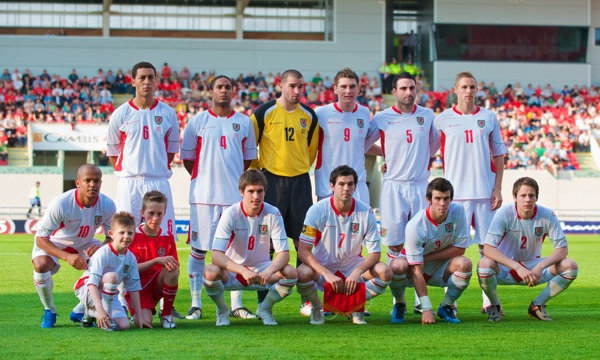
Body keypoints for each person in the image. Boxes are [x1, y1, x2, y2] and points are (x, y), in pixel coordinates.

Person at [180, 75, 257, 320]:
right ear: (211, 91)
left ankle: (236, 303)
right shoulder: (196, 122)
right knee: (198, 250)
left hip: (234, 198)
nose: (223, 91)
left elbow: (247, 162)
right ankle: (195, 303)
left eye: (227, 87)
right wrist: (205, 179)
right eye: (219, 87)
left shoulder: (245, 123)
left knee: (235, 252)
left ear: (233, 92)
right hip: (203, 197)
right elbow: (188, 160)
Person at [365, 72, 438, 321]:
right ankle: (399, 302)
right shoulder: (382, 118)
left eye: (412, 87)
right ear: (394, 91)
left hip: (419, 186)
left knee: (420, 243)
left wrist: (423, 160)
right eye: (403, 88)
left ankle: (421, 299)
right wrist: (388, 154)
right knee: (395, 245)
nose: (408, 92)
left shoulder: (427, 116)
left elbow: (435, 144)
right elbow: (364, 143)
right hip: (393, 187)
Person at [433, 71, 506, 312]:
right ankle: (449, 303)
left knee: (488, 249)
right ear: (455, 90)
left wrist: (497, 188)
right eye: (464, 86)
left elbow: (498, 155)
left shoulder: (489, 117)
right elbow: (427, 151)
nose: (468, 91)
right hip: (454, 198)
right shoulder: (442, 119)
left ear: (477, 90)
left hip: (484, 194)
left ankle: (489, 302)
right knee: (450, 251)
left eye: (472, 87)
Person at [250, 69, 319, 306]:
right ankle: (262, 300)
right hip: (272, 182)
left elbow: (311, 150)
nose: (297, 91)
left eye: (301, 86)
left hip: (300, 183)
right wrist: (260, 170)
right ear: (281, 85)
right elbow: (251, 145)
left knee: (303, 242)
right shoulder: (264, 112)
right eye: (292, 86)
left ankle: (306, 301)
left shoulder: (309, 115)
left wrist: (298, 169)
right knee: (266, 241)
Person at [296, 166, 392, 325]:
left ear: (355, 186)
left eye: (350, 184)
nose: (346, 188)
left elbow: (375, 253)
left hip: (353, 267)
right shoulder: (317, 210)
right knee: (301, 273)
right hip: (324, 269)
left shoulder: (366, 212)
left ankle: (356, 305)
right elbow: (303, 251)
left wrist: (357, 272)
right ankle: (317, 307)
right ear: (332, 186)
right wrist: (326, 274)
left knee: (385, 271)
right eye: (341, 184)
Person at [203, 170, 298, 326]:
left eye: (260, 191)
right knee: (210, 272)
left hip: (262, 271)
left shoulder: (273, 213)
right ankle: (222, 310)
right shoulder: (231, 214)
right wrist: (243, 271)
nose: (256, 196)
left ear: (265, 191)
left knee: (291, 272)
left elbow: (284, 254)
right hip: (235, 272)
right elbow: (216, 256)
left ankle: (265, 308)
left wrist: (268, 272)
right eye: (251, 191)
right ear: (242, 192)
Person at [477, 177, 579, 322]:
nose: (527, 200)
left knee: (571, 266)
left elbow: (562, 249)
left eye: (531, 195)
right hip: (506, 267)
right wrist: (517, 267)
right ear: (514, 197)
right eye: (523, 195)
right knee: (484, 265)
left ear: (536, 197)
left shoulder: (547, 215)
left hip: (533, 269)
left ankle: (537, 305)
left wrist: (540, 266)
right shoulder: (504, 213)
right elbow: (488, 249)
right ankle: (495, 306)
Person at [32, 164, 116, 328]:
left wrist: (101, 247)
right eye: (88, 180)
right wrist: (67, 256)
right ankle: (49, 310)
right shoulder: (61, 203)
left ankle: (79, 311)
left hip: (85, 244)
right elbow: (41, 239)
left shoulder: (107, 204)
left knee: (111, 261)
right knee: (41, 265)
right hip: (56, 243)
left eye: (96, 181)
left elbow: (111, 236)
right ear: (78, 183)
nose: (93, 184)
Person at [107, 61, 179, 232]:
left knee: (161, 235)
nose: (146, 81)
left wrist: (155, 167)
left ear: (156, 80)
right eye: (142, 78)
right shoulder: (120, 113)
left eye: (150, 77)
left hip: (158, 181)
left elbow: (170, 151)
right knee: (125, 235)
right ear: (133, 81)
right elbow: (112, 152)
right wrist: (128, 171)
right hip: (129, 183)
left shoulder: (168, 113)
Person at [389, 178, 472, 324]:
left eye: (446, 199)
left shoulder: (458, 211)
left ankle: (446, 306)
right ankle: (400, 303)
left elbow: (461, 248)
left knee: (465, 264)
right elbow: (416, 270)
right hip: (412, 268)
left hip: (437, 265)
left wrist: (428, 258)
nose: (442, 203)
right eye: (438, 198)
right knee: (396, 266)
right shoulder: (416, 225)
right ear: (428, 199)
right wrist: (427, 309)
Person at [74, 212, 152, 331]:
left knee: (124, 325)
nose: (126, 236)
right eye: (121, 232)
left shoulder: (130, 258)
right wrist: (101, 311)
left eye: (130, 233)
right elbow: (92, 283)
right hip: (86, 288)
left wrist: (139, 317)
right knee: (112, 277)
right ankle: (102, 313)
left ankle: (90, 313)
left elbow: (134, 289)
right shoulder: (103, 253)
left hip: (108, 293)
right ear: (111, 234)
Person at [314, 67, 380, 204]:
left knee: (361, 226)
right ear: (335, 89)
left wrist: (389, 154)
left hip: (358, 185)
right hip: (329, 186)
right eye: (343, 86)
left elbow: (363, 145)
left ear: (358, 89)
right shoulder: (321, 113)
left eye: (352, 86)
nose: (348, 91)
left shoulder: (365, 113)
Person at [126, 191, 179, 329]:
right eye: (151, 213)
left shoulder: (168, 237)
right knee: (145, 323)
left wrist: (162, 263)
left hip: (157, 284)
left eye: (159, 213)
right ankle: (133, 311)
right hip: (137, 288)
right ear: (142, 212)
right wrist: (156, 261)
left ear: (164, 212)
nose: (155, 218)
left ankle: (167, 314)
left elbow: (174, 268)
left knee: (173, 269)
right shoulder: (132, 236)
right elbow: (129, 270)